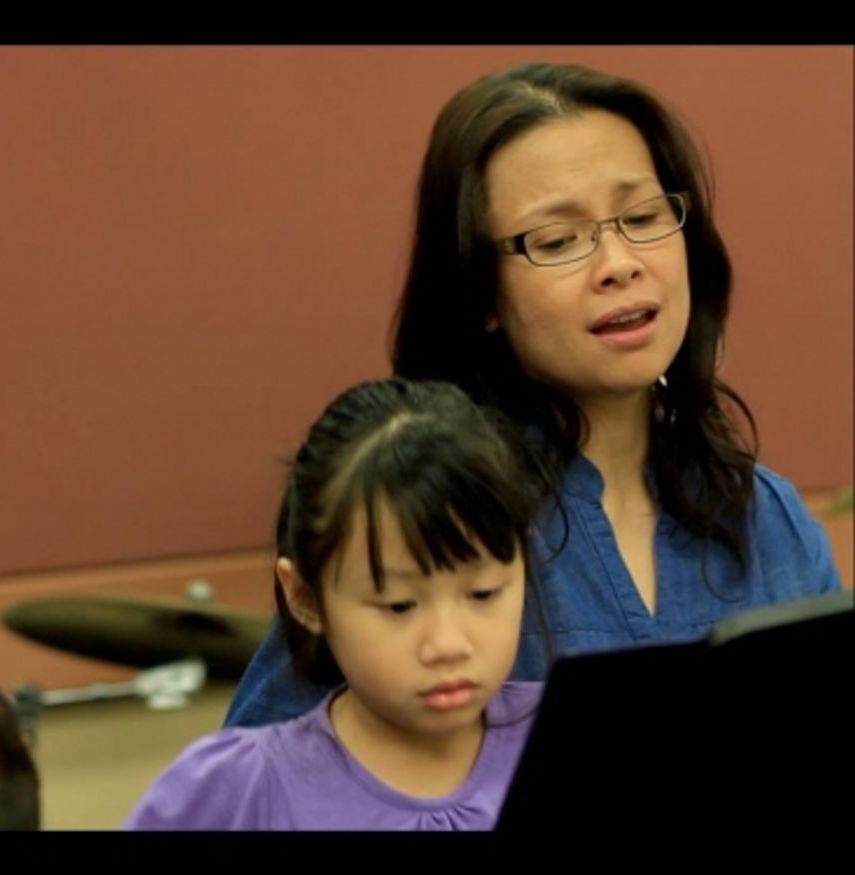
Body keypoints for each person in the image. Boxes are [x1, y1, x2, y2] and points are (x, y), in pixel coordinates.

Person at [225, 61, 844, 728]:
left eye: (642, 216)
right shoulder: (417, 513)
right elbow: (261, 772)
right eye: (557, 240)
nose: (619, 264)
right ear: (481, 293)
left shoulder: (770, 521)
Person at [126, 378, 543, 830]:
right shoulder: (242, 789)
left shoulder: (579, 742)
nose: (447, 645)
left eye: (483, 594)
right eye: (399, 605)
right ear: (305, 598)